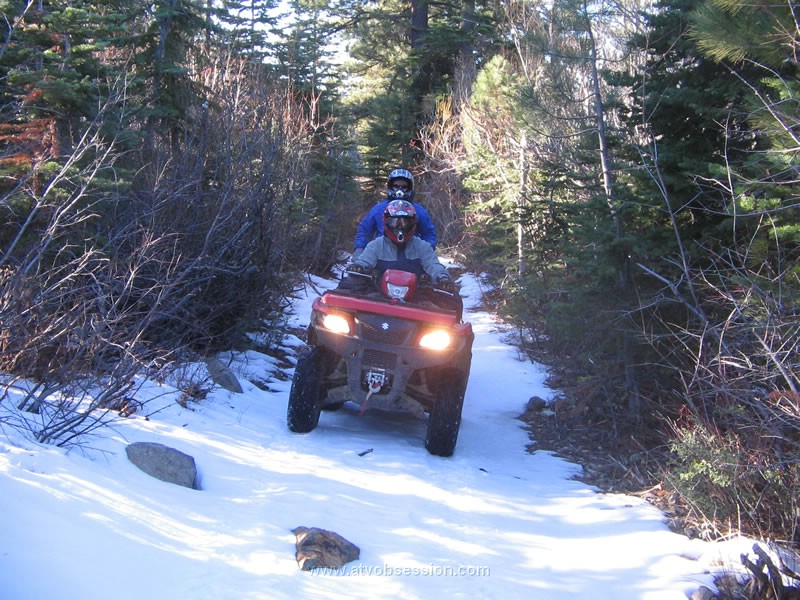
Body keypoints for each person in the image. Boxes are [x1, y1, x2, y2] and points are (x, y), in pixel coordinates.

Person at [348, 199, 454, 292]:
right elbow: (364, 261)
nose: (399, 226)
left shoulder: (422, 246)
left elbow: (433, 265)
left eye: (405, 222)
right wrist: (359, 267)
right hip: (378, 294)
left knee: (448, 303)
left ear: (413, 223)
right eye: (394, 221)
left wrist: (442, 277)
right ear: (386, 222)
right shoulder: (376, 245)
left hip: (417, 297)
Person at [353, 168, 437, 257]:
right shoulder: (378, 210)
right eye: (396, 186)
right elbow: (364, 231)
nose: (399, 190)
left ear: (409, 188)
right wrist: (359, 249)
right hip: (381, 257)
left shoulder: (419, 211)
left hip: (412, 258)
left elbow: (428, 233)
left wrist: (428, 251)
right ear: (390, 186)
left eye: (404, 187)